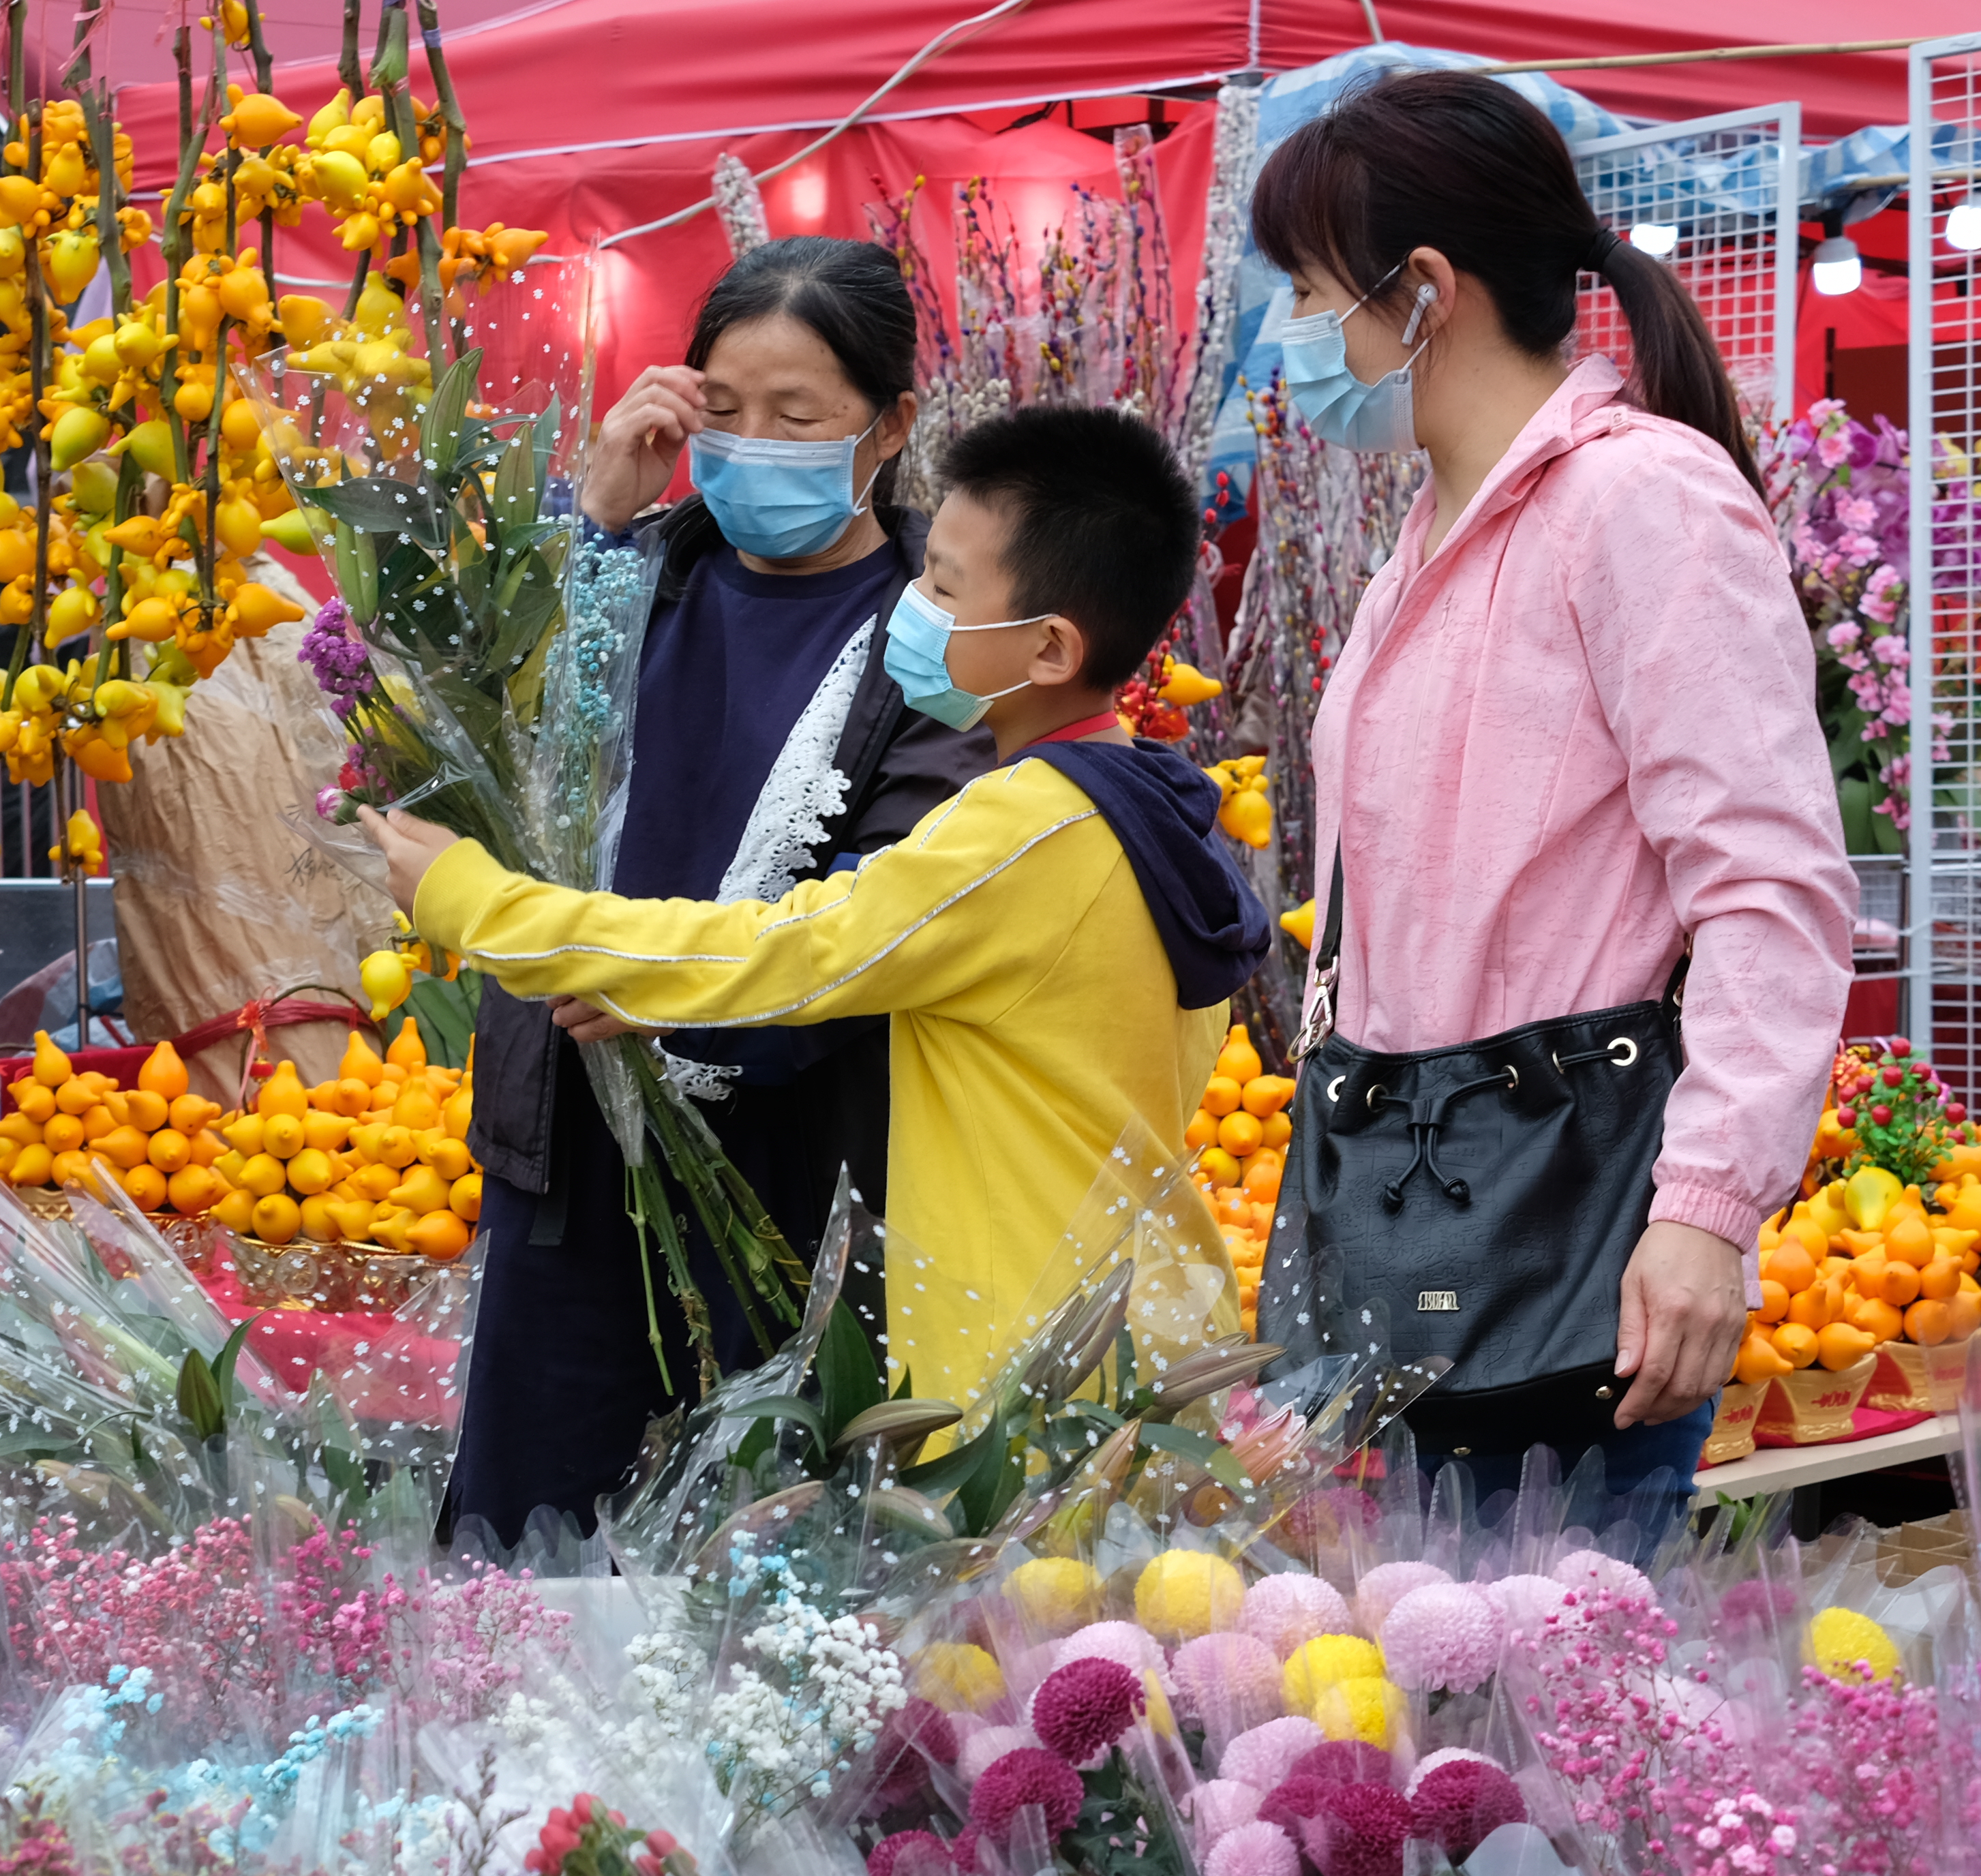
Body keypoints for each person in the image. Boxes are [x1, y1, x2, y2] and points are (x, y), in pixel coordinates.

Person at [375, 406, 1262, 1415]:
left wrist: (477, 901)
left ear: (1051, 649)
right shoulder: (1152, 810)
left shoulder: (1028, 830)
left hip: (1033, 1357)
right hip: (1137, 1316)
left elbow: (791, 952)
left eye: (943, 587)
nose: (912, 608)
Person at [1248, 71, 1852, 1515]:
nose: (1292, 337)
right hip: (1414, 1205)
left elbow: (1771, 885)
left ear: (1426, 291)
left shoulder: (1640, 501)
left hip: (1569, 1232)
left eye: (1310, 289)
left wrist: (1708, 1208)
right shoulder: (1428, 534)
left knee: (1530, 1706)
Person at [447, 237, 990, 1549]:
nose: (754, 448)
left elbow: (902, 895)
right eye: (724, 412)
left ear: (891, 424)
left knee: (765, 1552)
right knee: (532, 1539)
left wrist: (681, 991)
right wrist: (598, 523)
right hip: (570, 1153)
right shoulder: (636, 575)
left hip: (795, 1170)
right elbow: (502, 773)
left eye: (798, 418)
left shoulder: (934, 628)